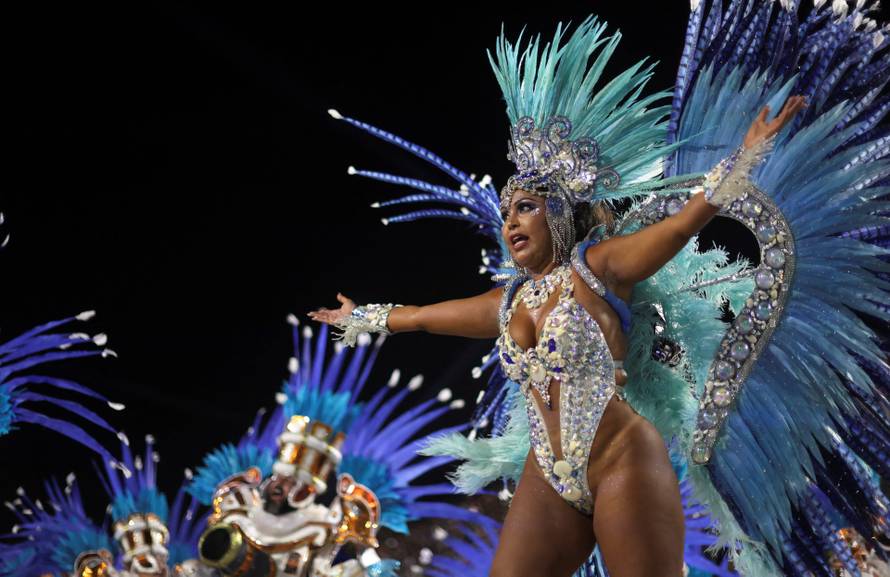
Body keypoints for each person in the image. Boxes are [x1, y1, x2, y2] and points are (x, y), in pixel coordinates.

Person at [313, 5, 890, 576]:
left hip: (622, 462)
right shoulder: (510, 301)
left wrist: (745, 158)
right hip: (550, 475)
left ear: (560, 215)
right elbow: (422, 318)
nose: (510, 222)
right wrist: (363, 315)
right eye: (507, 212)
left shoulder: (599, 268)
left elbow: (680, 226)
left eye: (526, 208)